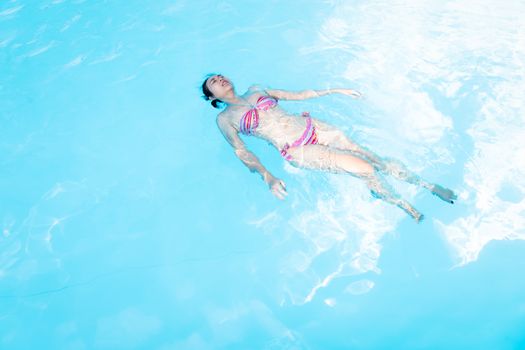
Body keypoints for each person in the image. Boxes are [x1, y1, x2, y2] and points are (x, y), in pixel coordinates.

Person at [201, 73, 457, 222]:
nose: (220, 78)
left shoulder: (256, 89)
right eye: (213, 81)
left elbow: (297, 95)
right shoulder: (225, 119)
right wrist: (268, 175)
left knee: (372, 158)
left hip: (315, 127)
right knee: (366, 168)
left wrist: (335, 90)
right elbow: (241, 151)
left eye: (220, 75)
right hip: (298, 150)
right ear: (212, 97)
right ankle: (405, 206)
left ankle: (428, 186)